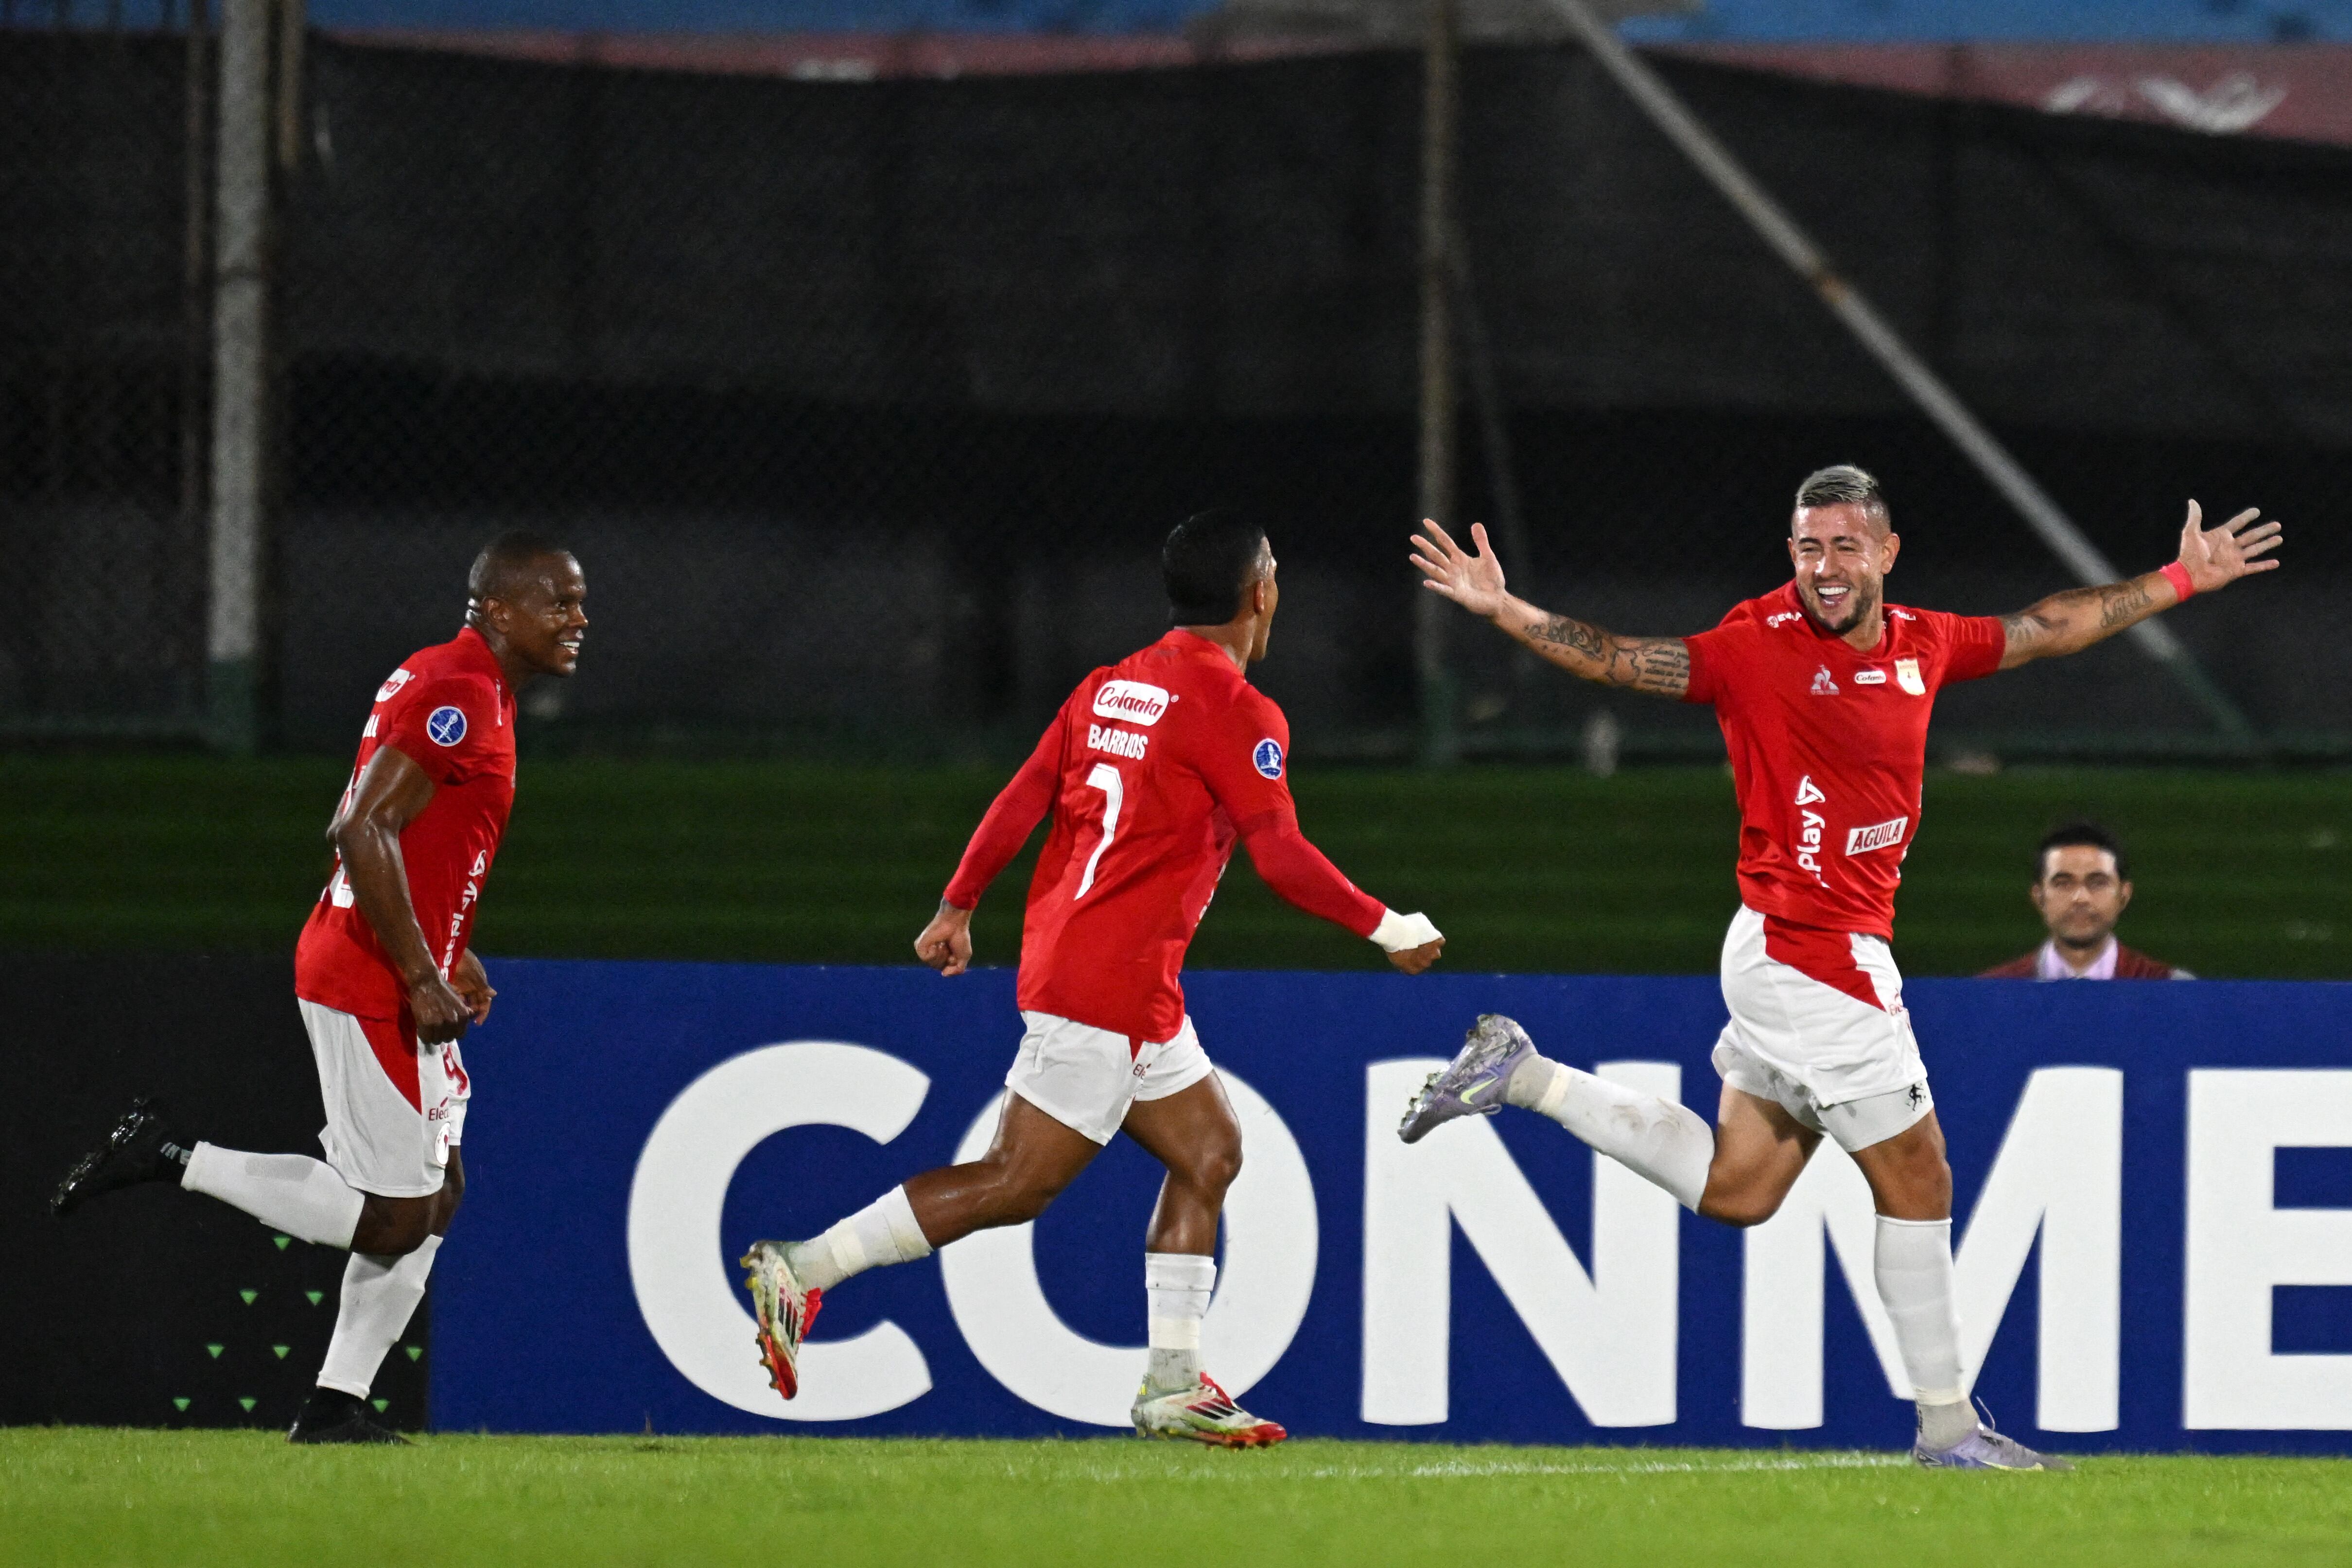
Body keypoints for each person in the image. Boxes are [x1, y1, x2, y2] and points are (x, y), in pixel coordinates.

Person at [1398, 466, 2278, 1470]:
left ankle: (1522, 1073)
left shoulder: (1921, 642)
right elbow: (1620, 661)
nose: (1823, 567)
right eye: (1807, 547)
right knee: (1919, 1169)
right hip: (1807, 949)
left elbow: (2047, 625)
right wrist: (1505, 607)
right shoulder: (1754, 645)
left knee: (1738, 1186)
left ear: (1884, 553)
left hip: (1792, 947)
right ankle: (1948, 1428)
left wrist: (2178, 578)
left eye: (1843, 546)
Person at [740, 509, 1446, 1447]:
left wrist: (957, 903)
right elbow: (1278, 853)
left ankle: (1172, 1385)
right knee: (1015, 1183)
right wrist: (1385, 924)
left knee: (1209, 1151)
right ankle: (803, 1268)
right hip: (1102, 987)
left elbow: (1025, 793)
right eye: (1272, 572)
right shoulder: (1235, 710)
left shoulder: (1112, 686)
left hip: (1118, 978)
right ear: (1258, 594)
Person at [50, 532, 589, 1445]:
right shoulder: (459, 690)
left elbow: (407, 836)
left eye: (579, 603)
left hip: (390, 956)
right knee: (394, 1217)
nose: (578, 621)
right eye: (558, 603)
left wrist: (451, 950)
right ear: (498, 610)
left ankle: (338, 1404)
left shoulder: (464, 682)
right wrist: (420, 970)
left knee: (440, 1191)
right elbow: (359, 827)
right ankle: (171, 1154)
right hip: (369, 975)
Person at [1980, 822, 2191, 980]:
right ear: (2039, 896)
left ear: (2124, 896)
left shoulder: (2173, 989)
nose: (2080, 898)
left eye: (2098, 883)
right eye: (2063, 884)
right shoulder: (1990, 994)